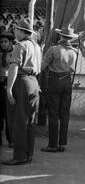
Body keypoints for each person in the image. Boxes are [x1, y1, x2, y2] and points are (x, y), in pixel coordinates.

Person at [2, 18, 41, 165]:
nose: (14, 32)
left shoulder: (20, 46)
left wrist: (9, 88)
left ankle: (19, 156)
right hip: (34, 82)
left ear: (20, 31)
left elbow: (14, 67)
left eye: (15, 30)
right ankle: (28, 154)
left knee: (19, 121)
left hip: (22, 83)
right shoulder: (36, 46)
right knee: (30, 121)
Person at [41, 25, 78, 153]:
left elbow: (42, 66)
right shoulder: (74, 52)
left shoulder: (53, 49)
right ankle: (62, 143)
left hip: (54, 81)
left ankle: (52, 144)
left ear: (61, 36)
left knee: (53, 113)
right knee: (64, 113)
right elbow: (72, 69)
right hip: (67, 81)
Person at [0, 31, 15, 147]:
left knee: (9, 113)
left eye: (5, 41)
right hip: (0, 84)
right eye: (1, 42)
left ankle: (11, 140)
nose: (3, 44)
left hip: (10, 84)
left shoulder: (15, 52)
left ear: (10, 42)